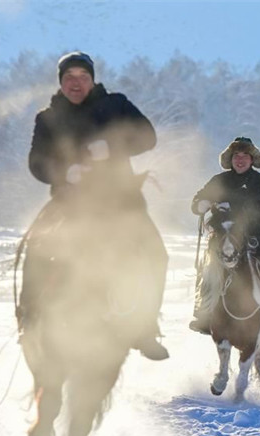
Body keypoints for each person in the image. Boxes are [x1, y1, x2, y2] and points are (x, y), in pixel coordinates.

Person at [23, 51, 169, 361]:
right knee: (35, 250)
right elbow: (36, 163)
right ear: (61, 82)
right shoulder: (47, 117)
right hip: (70, 203)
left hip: (121, 202)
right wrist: (65, 172)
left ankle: (144, 327)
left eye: (83, 77)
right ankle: (30, 320)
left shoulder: (116, 104)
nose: (76, 83)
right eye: (69, 77)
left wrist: (111, 146)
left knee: (156, 254)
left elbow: (148, 137)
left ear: (92, 80)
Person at [189, 137, 260, 334]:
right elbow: (199, 199)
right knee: (208, 269)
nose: (240, 160)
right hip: (221, 235)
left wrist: (232, 208)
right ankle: (204, 314)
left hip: (252, 235)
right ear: (230, 159)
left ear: (252, 159)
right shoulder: (219, 180)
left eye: (244, 156)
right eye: (236, 156)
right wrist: (201, 204)